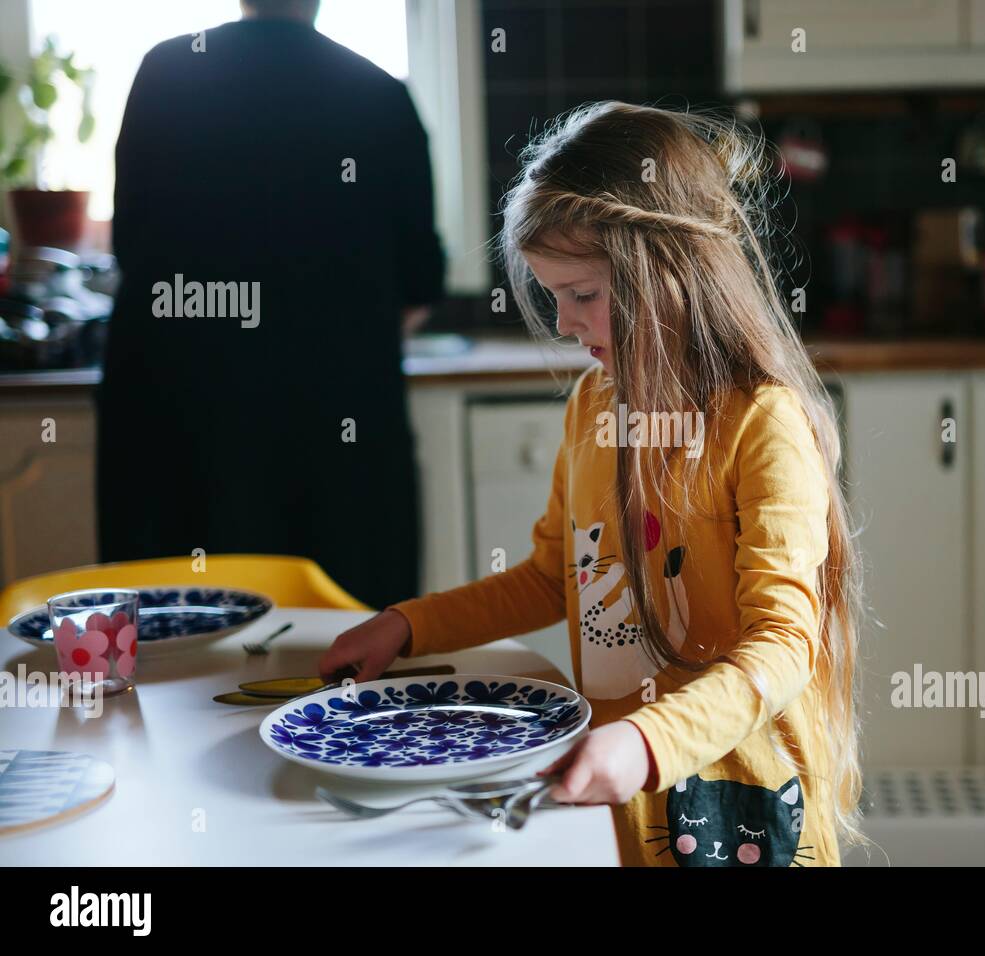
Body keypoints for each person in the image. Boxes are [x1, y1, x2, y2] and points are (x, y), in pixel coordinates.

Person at [318, 102, 863, 867]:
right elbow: (552, 579)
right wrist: (407, 627)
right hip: (625, 805)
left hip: (745, 815)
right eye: (552, 297)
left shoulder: (760, 423)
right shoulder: (592, 409)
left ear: (671, 274)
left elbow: (781, 646)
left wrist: (647, 742)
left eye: (582, 294)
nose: (566, 323)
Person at [98, 0, 443, 608]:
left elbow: (130, 244)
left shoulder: (166, 74)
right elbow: (419, 281)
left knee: (174, 643)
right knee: (339, 642)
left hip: (179, 424)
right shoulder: (379, 94)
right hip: (333, 430)